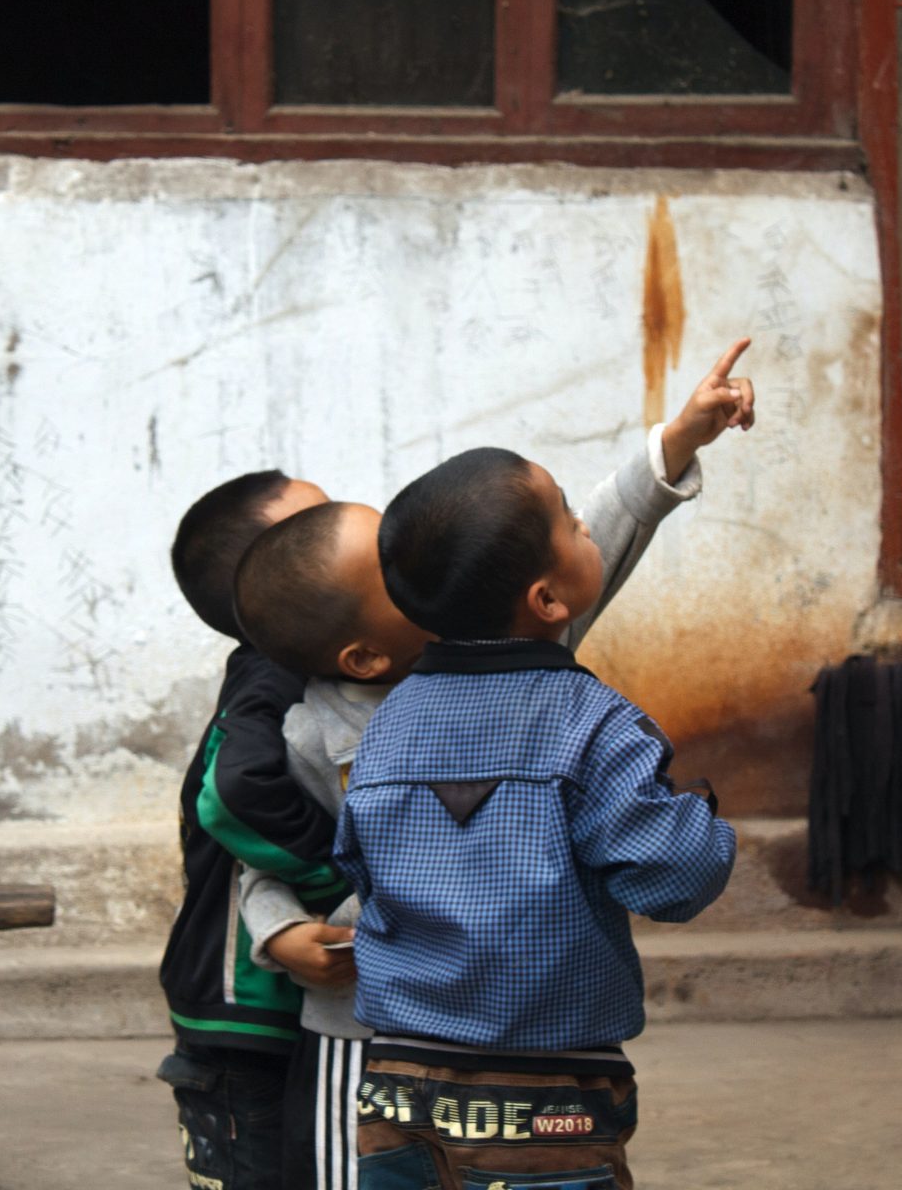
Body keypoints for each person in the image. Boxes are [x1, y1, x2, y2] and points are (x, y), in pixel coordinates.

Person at [234, 340, 754, 1190]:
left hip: (399, 1076)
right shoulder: (590, 721)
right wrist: (698, 818)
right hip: (550, 1076)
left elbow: (347, 857)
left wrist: (675, 440)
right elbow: (674, 876)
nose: (589, 527)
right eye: (570, 523)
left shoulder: (391, 728)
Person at [158, 469, 358, 1190]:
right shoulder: (272, 673)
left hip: (291, 1003)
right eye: (317, 524)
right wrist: (338, 881)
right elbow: (236, 795)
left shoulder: (319, 667)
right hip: (244, 1009)